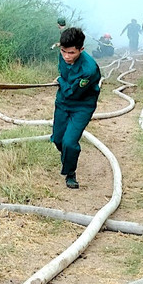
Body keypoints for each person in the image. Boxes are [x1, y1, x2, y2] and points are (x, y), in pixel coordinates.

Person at [51, 27, 101, 189]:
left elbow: (73, 93)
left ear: (81, 49)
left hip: (82, 105)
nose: (66, 56)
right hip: (62, 103)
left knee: (69, 142)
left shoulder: (89, 70)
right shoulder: (63, 54)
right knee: (58, 140)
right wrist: (62, 80)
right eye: (64, 51)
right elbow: (64, 75)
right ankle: (68, 157)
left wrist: (60, 80)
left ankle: (70, 173)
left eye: (71, 53)